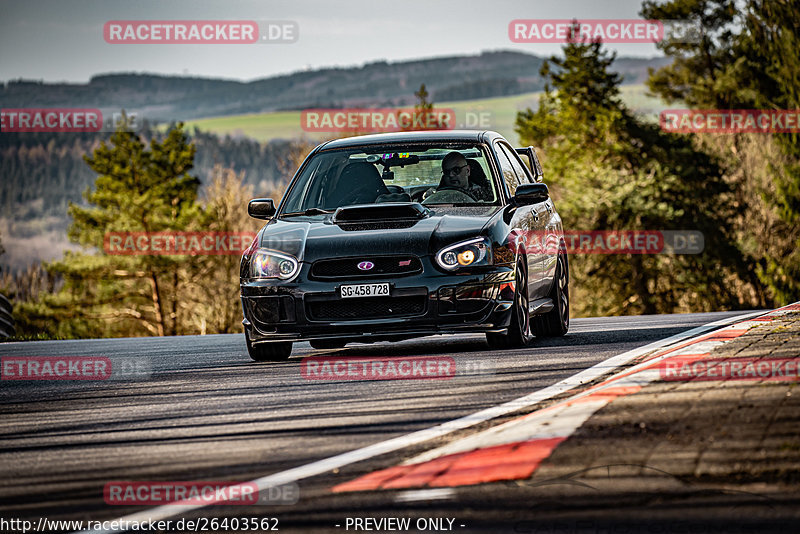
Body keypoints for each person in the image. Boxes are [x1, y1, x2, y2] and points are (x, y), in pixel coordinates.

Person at [422, 152, 491, 202]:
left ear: (467, 171)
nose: (451, 175)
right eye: (447, 172)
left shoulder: (486, 192)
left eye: (456, 170)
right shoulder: (436, 196)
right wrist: (428, 199)